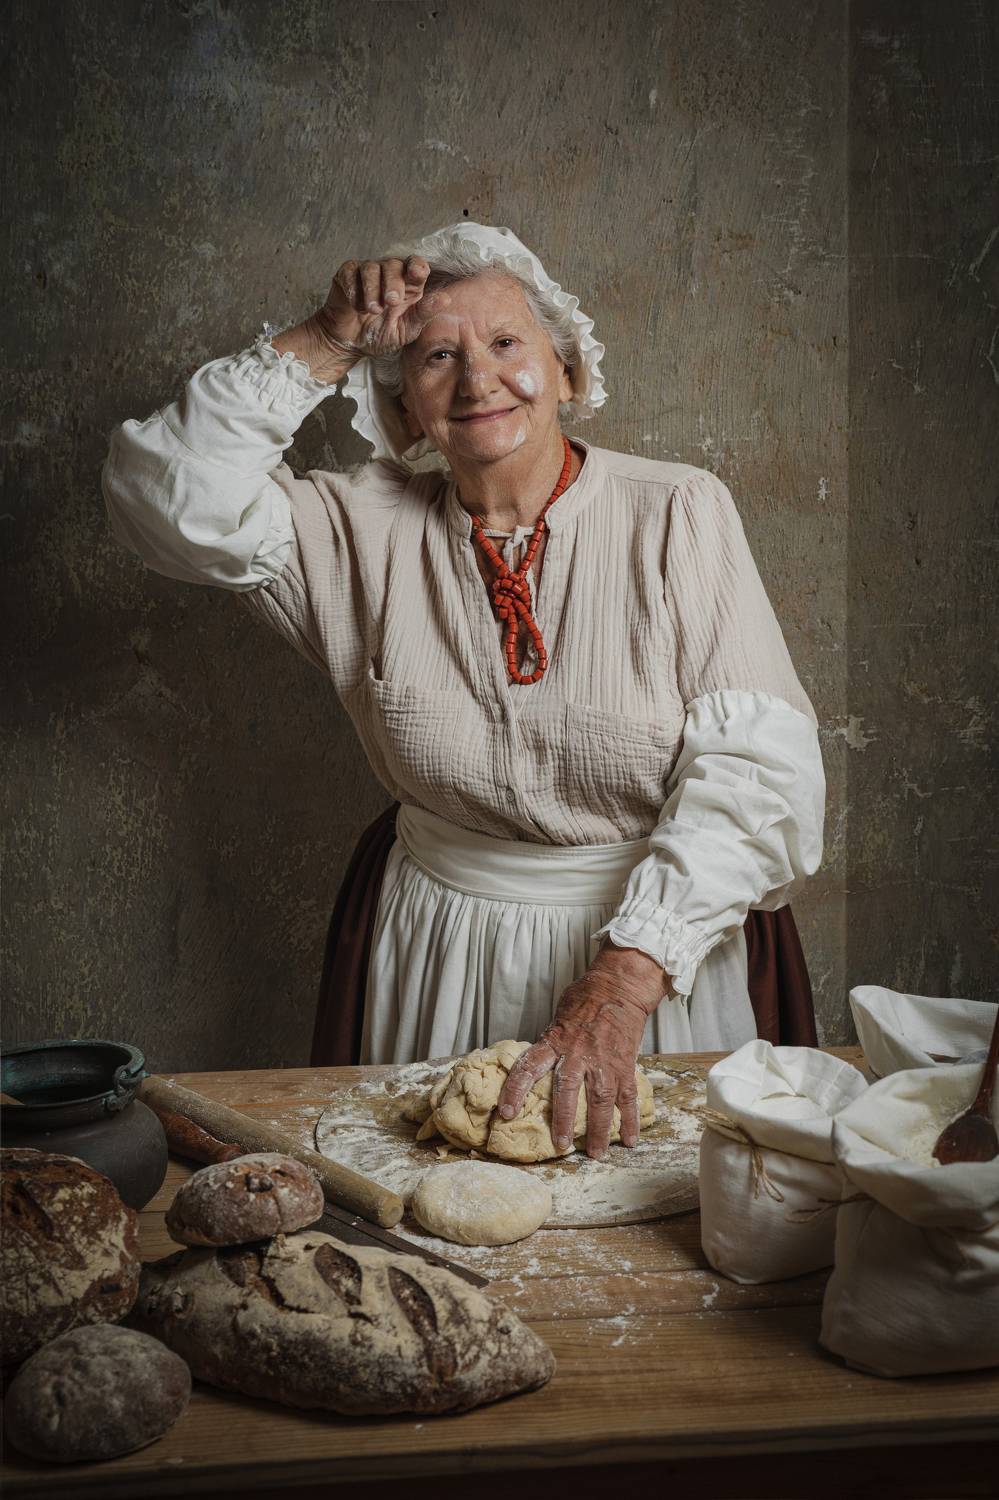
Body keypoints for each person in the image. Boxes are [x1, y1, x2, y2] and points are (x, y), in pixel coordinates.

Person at [102, 222, 825, 1159]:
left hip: (655, 947)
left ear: (566, 372)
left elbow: (762, 777)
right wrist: (325, 338)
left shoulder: (678, 510)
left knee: (660, 1216)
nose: (478, 380)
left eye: (507, 344)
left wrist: (625, 978)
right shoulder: (349, 524)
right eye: (437, 356)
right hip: (435, 939)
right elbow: (166, 498)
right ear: (404, 410)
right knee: (430, 1207)